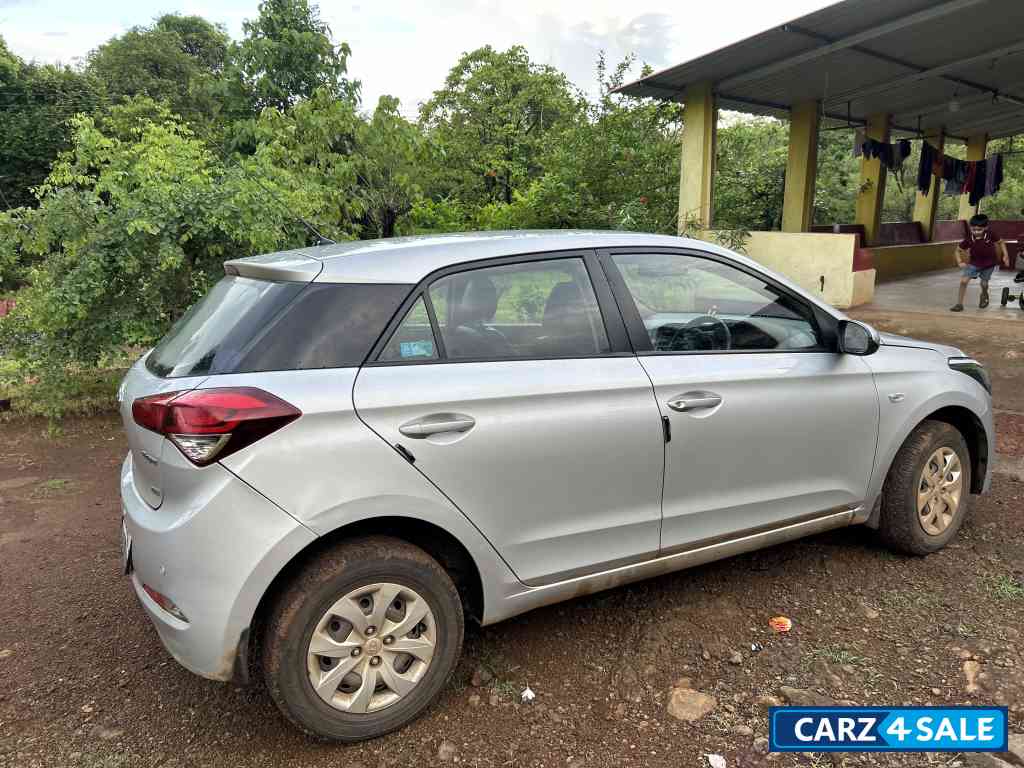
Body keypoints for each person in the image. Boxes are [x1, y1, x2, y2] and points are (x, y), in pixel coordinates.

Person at [951, 213, 1010, 312]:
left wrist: (1006, 255)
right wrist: (959, 261)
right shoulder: (969, 238)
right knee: (963, 281)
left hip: (989, 264)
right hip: (974, 263)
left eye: (979, 230)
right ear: (971, 228)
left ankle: (984, 294)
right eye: (973, 229)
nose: (976, 232)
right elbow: (957, 250)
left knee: (984, 284)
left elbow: (1001, 242)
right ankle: (959, 304)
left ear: (985, 227)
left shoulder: (990, 234)